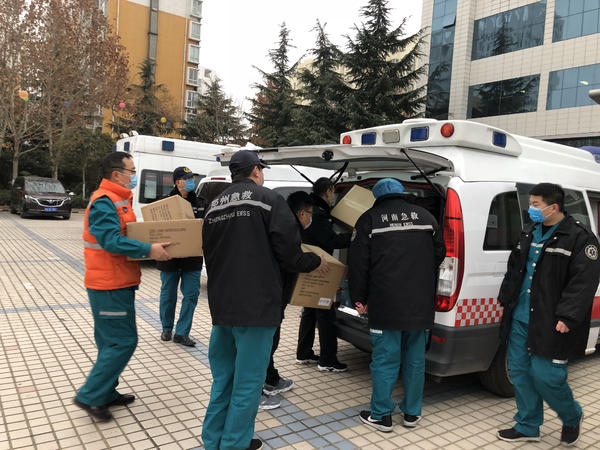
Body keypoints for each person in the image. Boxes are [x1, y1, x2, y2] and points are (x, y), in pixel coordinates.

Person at [201, 151, 329, 450]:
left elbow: (209, 252)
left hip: (222, 307)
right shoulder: (269, 200)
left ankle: (213, 440)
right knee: (248, 383)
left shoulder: (213, 206)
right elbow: (290, 254)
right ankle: (234, 444)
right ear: (256, 171)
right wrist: (314, 261)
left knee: (223, 380)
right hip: (257, 308)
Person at [496, 183, 600, 445]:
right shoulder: (530, 231)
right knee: (520, 373)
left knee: (547, 377)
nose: (530, 209)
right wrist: (506, 299)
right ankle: (528, 425)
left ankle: (571, 415)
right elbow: (514, 269)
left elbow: (584, 282)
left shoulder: (580, 237)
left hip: (552, 321)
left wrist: (568, 316)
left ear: (553, 207)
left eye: (535, 204)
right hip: (520, 316)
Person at [74, 152, 171, 422]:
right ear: (117, 174)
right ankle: (90, 396)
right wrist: (148, 249)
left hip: (118, 282)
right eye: (132, 171)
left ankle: (105, 392)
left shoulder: (120, 199)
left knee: (110, 342)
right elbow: (110, 240)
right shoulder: (104, 202)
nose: (134, 176)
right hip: (109, 285)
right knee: (122, 342)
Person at [348, 178, 445, 432]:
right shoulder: (427, 218)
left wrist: (359, 298)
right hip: (420, 304)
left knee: (385, 360)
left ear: (378, 196)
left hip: (385, 304)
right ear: (402, 193)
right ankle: (412, 413)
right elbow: (440, 253)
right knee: (415, 360)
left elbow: (358, 264)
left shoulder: (369, 220)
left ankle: (382, 415)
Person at [261, 191, 319, 410]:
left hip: (273, 294)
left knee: (270, 339)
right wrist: (316, 261)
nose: (311, 218)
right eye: (310, 213)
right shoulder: (288, 226)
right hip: (270, 294)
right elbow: (293, 260)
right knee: (265, 341)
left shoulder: (282, 222)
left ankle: (270, 377)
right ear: (302, 213)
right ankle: (259, 387)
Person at [296, 177, 351, 372]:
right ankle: (327, 360)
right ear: (328, 191)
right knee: (325, 312)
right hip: (321, 267)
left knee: (310, 310)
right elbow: (331, 240)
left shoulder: (313, 209)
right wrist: (354, 236)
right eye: (333, 192)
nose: (333, 195)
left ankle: (304, 353)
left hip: (311, 263)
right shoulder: (319, 214)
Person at [157, 166, 207, 347]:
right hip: (169, 257)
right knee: (168, 295)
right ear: (178, 182)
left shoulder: (201, 203)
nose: (191, 181)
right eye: (187, 178)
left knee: (191, 296)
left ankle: (182, 332)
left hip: (192, 258)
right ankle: (166, 328)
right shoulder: (164, 203)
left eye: (192, 177)